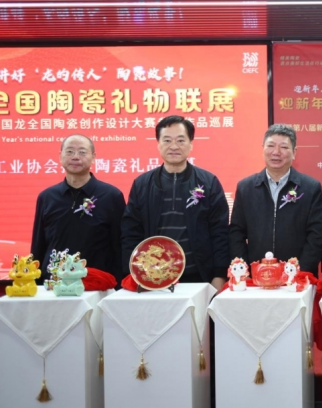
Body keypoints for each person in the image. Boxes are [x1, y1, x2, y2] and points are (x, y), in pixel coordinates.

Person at [121, 116, 229, 291]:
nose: (173, 146)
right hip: (153, 277)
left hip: (200, 277)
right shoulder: (142, 184)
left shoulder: (208, 182)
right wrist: (134, 275)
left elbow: (220, 232)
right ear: (158, 144)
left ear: (191, 144)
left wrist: (219, 275)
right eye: (167, 140)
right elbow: (131, 232)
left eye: (180, 140)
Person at [229, 124, 322, 274]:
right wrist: (244, 270)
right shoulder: (246, 188)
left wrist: (299, 272)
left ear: (294, 152)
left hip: (298, 277)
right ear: (263, 149)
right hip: (256, 276)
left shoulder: (310, 188)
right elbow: (236, 233)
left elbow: (317, 235)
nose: (276, 152)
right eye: (271, 146)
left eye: (284, 147)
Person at [31, 134, 126, 284]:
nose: (75, 157)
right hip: (54, 282)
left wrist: (118, 284)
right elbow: (38, 244)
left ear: (93, 157)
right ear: (60, 156)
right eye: (70, 151)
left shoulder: (111, 195)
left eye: (82, 152)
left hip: (97, 283)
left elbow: (119, 245)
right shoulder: (47, 197)